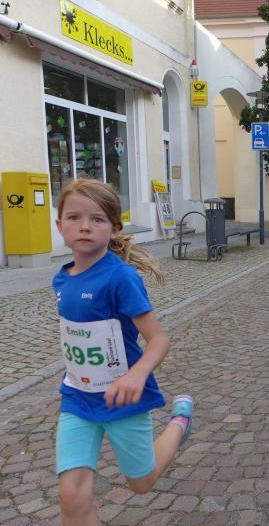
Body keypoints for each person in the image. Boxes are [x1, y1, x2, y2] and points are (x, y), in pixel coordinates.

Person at [53, 179, 193, 526]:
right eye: (74, 217)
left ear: (115, 228)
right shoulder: (62, 278)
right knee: (71, 496)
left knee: (141, 483)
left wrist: (136, 374)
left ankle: (179, 423)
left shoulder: (121, 278)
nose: (84, 226)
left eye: (97, 219)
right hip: (78, 397)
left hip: (123, 398)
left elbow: (158, 340)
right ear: (59, 225)